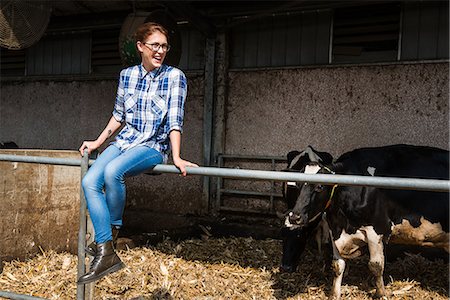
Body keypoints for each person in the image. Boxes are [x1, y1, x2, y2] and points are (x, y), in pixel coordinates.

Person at [77, 22, 198, 284]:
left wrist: (176, 156)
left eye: (164, 46)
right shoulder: (127, 75)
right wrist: (98, 142)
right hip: (125, 141)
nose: (160, 51)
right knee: (88, 181)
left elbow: (175, 121)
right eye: (155, 45)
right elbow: (119, 116)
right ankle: (106, 249)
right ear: (140, 47)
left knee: (112, 172)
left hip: (152, 146)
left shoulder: (174, 77)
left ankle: (111, 233)